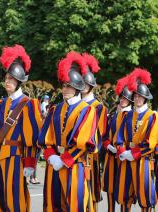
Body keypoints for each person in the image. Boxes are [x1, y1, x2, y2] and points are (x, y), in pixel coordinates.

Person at [0, 44, 42, 211]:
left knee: (15, 201)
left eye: (11, 79)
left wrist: (30, 163)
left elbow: (33, 137)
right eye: (6, 79)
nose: (7, 82)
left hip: (16, 158)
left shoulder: (29, 104)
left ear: (19, 82)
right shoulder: (2, 103)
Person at [38, 51, 96, 211]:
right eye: (64, 85)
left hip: (74, 165)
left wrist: (63, 160)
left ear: (77, 88)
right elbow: (44, 137)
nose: (65, 89)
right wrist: (51, 157)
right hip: (54, 164)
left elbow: (83, 141)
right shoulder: (54, 109)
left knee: (75, 206)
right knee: (53, 206)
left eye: (69, 86)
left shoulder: (87, 110)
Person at [115, 68, 158, 211]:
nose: (137, 98)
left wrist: (133, 154)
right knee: (124, 196)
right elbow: (119, 137)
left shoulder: (152, 116)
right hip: (127, 160)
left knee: (145, 198)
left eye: (140, 96)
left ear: (145, 97)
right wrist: (122, 151)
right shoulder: (127, 115)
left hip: (143, 161)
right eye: (135, 96)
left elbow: (150, 143)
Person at [80, 53, 108, 210]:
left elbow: (100, 132)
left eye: (86, 84)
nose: (83, 86)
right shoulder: (75, 104)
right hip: (76, 153)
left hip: (92, 154)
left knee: (91, 189)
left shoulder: (99, 107)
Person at [101, 75, 133, 212]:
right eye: (121, 98)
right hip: (111, 156)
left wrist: (121, 150)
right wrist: (108, 145)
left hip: (124, 158)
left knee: (124, 190)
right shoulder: (115, 115)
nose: (122, 100)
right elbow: (106, 135)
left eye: (125, 98)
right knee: (110, 188)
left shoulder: (132, 116)